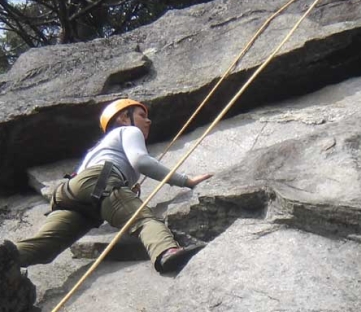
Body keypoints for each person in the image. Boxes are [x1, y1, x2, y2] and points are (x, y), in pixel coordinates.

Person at [15, 98, 213, 273]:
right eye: (141, 115)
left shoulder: (99, 147)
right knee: (143, 220)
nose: (148, 120)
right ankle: (166, 252)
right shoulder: (128, 130)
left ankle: (3, 257)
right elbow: (141, 161)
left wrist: (125, 185)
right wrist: (185, 181)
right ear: (124, 118)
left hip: (70, 193)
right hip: (98, 183)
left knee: (44, 247)